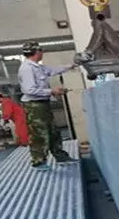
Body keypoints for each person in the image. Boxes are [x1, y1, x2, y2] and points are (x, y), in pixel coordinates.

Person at [18, 41, 77, 169]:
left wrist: (72, 65)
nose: (42, 53)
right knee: (39, 133)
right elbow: (29, 90)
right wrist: (52, 91)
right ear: (37, 52)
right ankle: (38, 162)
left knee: (53, 131)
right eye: (41, 51)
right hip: (34, 106)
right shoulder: (27, 68)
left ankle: (60, 156)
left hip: (42, 104)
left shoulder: (37, 67)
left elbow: (52, 70)